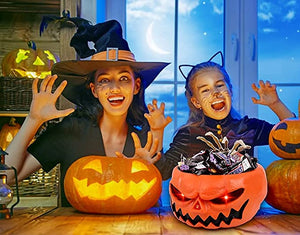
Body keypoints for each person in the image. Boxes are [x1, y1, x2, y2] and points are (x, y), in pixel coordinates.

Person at [5, 20, 172, 206]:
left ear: (136, 86)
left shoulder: (142, 137)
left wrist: (146, 167)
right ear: (94, 90)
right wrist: (33, 119)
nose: (114, 88)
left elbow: (152, 202)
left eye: (123, 78)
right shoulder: (70, 131)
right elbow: (8, 177)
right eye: (104, 80)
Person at [155, 51, 295, 180]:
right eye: (205, 90)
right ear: (196, 102)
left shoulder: (248, 127)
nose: (215, 93)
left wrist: (276, 104)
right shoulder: (188, 134)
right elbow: (164, 171)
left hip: (243, 202)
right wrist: (157, 133)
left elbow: (293, 138)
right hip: (202, 203)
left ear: (230, 90)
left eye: (220, 85)